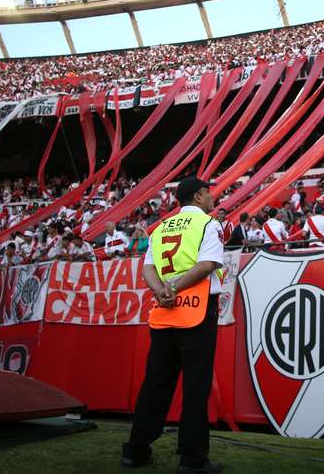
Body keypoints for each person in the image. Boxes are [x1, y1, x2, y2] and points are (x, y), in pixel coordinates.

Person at [121, 175, 224, 473]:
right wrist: (175, 289)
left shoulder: (161, 227)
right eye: (207, 193)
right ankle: (192, 459)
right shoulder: (208, 223)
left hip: (164, 312)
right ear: (196, 197)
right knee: (195, 385)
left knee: (155, 382)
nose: (211, 198)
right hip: (197, 310)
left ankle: (135, 450)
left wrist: (161, 291)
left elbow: (148, 268)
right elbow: (206, 266)